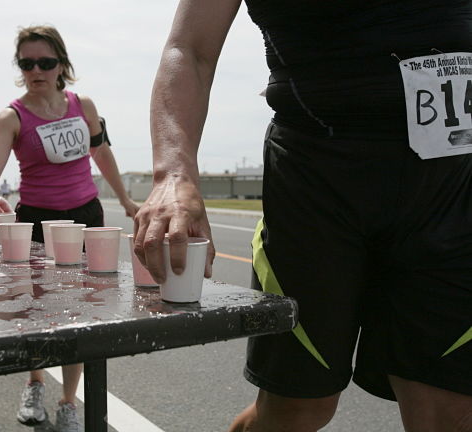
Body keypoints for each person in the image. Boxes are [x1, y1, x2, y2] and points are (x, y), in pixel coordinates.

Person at [133, 1, 472, 431]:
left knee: (450, 414)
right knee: (296, 412)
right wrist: (174, 173)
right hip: (317, 191)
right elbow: (191, 48)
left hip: (448, 193)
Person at [0, 25, 139, 430]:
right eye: (27, 63)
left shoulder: (84, 105)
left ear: (62, 64)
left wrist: (128, 200)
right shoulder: (12, 116)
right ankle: (34, 384)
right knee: (36, 310)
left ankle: (68, 402)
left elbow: (102, 154)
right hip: (37, 221)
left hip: (85, 218)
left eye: (45, 62)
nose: (36, 70)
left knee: (78, 313)